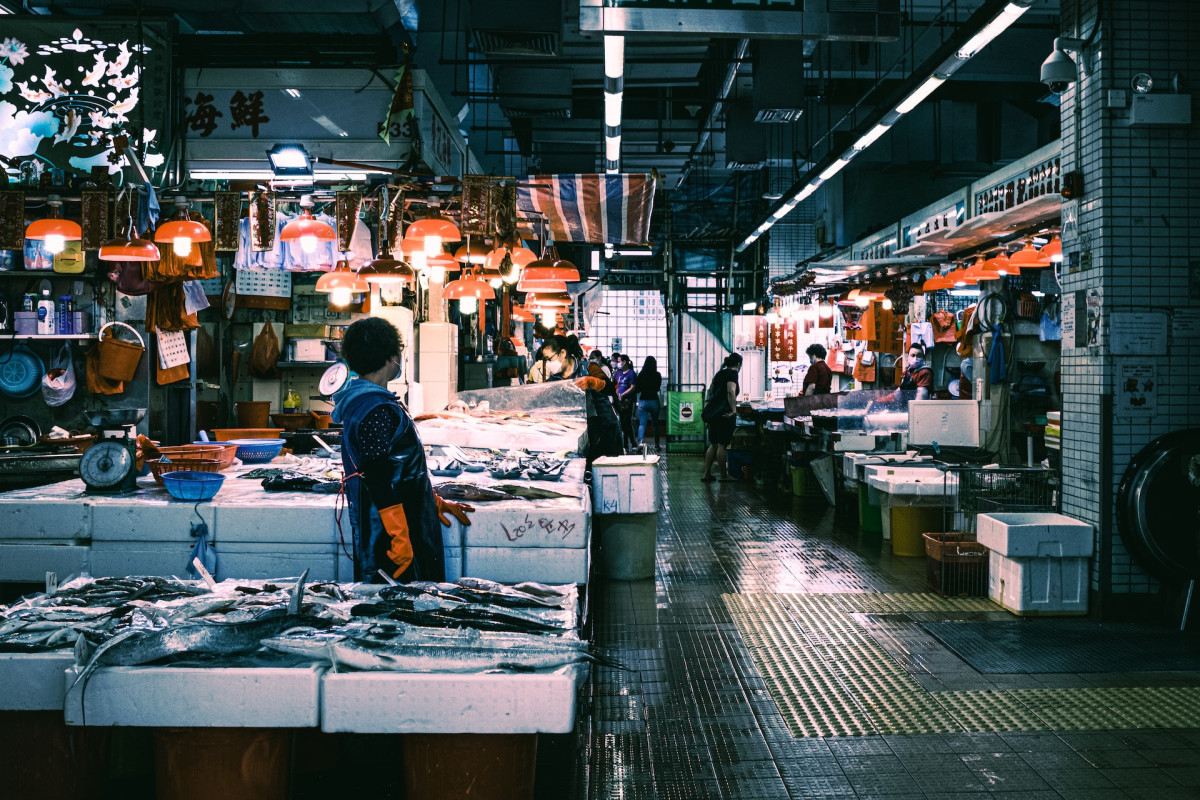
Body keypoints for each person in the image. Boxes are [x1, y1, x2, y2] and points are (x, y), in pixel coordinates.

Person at [331, 317, 473, 583]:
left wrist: (430, 501)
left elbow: (396, 467)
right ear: (391, 357)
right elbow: (377, 473)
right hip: (391, 536)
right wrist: (399, 536)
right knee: (397, 614)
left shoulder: (366, 402)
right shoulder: (375, 408)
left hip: (401, 522)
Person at [537, 334, 622, 460]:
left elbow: (610, 388)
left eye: (549, 358)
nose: (548, 363)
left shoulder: (588, 367)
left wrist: (593, 382)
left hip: (603, 431)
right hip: (574, 433)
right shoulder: (554, 380)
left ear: (562, 353)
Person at [701, 353, 741, 482]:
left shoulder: (719, 373)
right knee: (722, 445)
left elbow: (711, 392)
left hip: (713, 413)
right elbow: (731, 392)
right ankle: (724, 476)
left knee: (713, 444)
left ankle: (707, 474)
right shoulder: (732, 374)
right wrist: (734, 410)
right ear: (739, 364)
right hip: (724, 414)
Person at [634, 355, 663, 449]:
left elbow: (637, 389)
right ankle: (657, 445)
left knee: (642, 424)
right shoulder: (657, 375)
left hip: (643, 401)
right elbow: (658, 388)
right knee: (655, 424)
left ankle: (640, 444)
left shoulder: (641, 374)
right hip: (654, 400)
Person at [613, 354, 638, 451]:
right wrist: (617, 395)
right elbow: (616, 385)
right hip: (620, 401)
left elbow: (633, 387)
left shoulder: (631, 373)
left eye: (619, 361)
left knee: (627, 422)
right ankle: (625, 445)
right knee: (623, 423)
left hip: (629, 401)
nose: (618, 363)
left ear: (625, 362)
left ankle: (632, 443)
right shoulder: (619, 373)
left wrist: (623, 395)